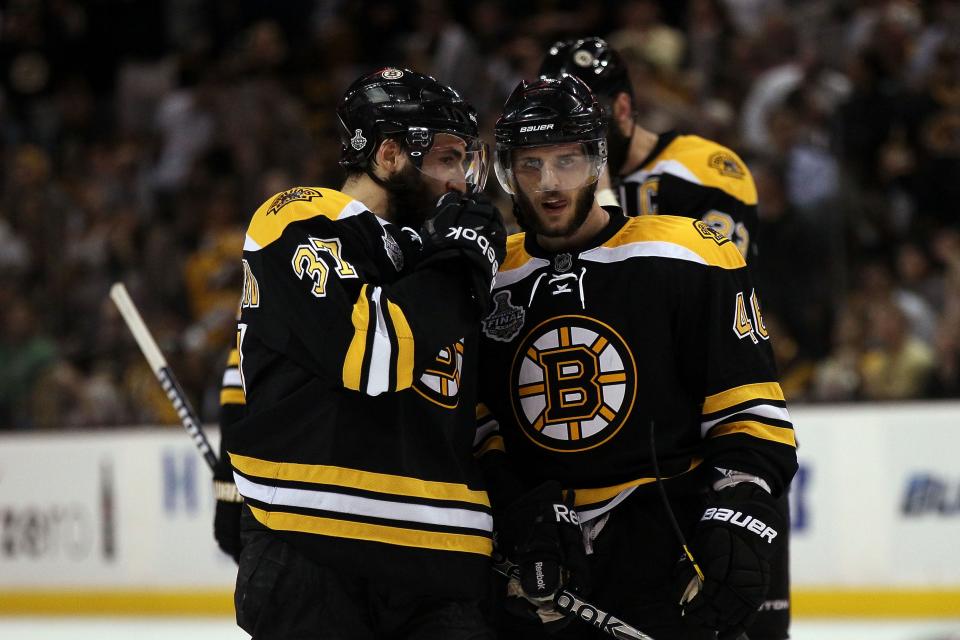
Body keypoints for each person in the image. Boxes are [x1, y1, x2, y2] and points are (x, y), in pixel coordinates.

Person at [475, 74, 797, 640]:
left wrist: (739, 519)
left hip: (668, 542)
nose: (549, 184)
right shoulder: (485, 274)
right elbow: (476, 425)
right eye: (530, 165)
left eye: (567, 160)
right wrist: (519, 513)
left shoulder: (689, 253)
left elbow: (749, 414)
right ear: (506, 172)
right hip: (541, 560)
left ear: (597, 161)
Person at [225, 67, 506, 639]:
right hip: (317, 550)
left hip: (438, 561)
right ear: (389, 155)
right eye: (447, 159)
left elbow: (476, 408)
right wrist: (464, 263)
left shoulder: (446, 247)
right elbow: (374, 354)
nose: (461, 181)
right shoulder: (298, 220)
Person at [539, 37, 758, 261]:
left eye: (582, 122)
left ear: (622, 109)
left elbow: (712, 278)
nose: (567, 140)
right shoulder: (551, 186)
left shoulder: (703, 170)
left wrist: (603, 199)